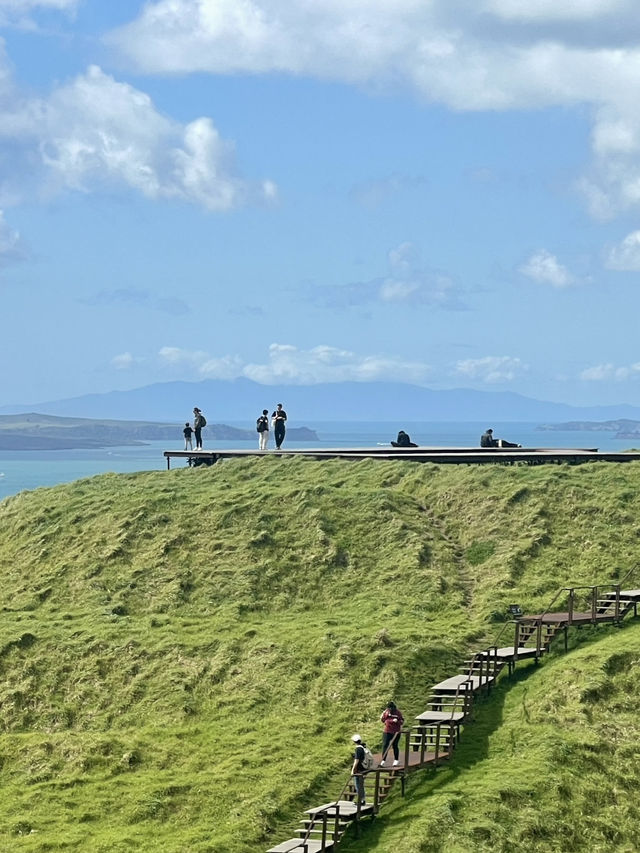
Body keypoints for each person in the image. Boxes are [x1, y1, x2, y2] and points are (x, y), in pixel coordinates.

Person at [379, 701, 404, 767]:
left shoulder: (398, 712)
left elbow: (402, 721)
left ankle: (396, 760)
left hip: (396, 732)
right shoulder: (386, 712)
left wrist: (397, 721)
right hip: (387, 731)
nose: (390, 710)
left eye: (390, 708)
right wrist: (387, 719)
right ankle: (383, 760)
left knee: (395, 745)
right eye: (388, 708)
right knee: (385, 745)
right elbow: (383, 720)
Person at [350, 734, 368, 805]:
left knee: (358, 785)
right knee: (360, 785)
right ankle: (362, 800)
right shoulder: (363, 747)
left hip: (358, 769)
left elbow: (356, 760)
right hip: (362, 768)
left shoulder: (358, 749)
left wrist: (352, 770)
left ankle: (361, 800)